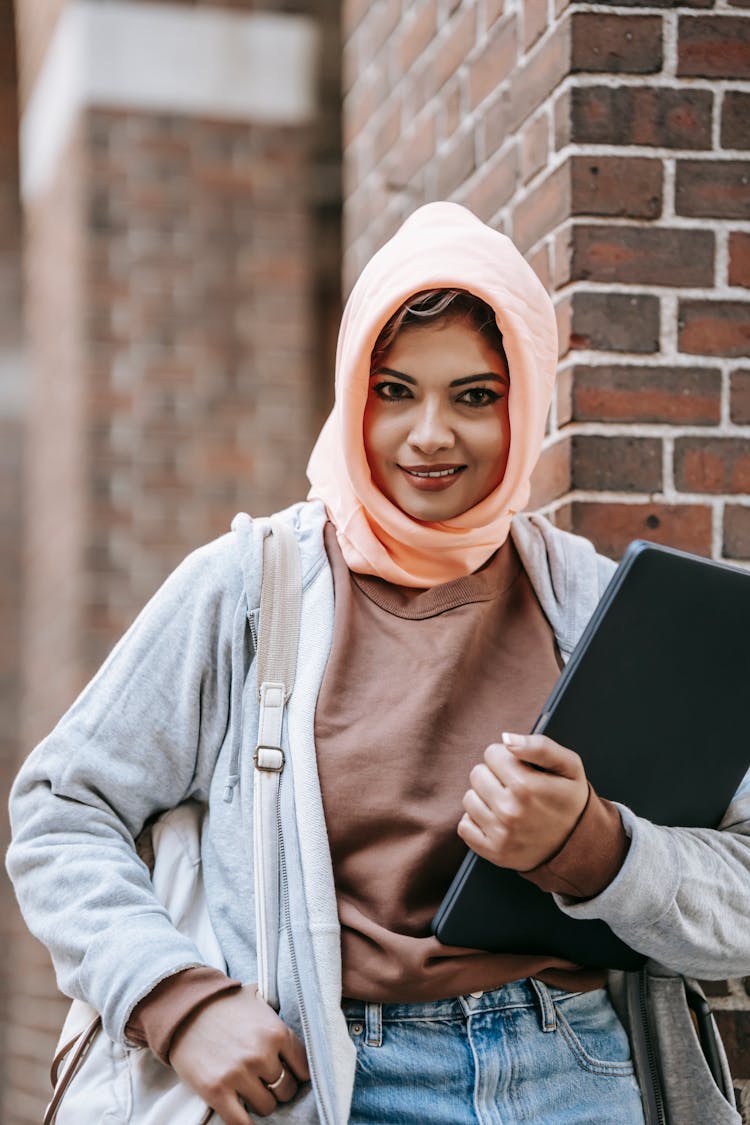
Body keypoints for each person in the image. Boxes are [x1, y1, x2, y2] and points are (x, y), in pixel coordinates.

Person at [7, 202, 747, 1125]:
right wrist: (176, 997)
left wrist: (598, 850)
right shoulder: (248, 586)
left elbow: (740, 892)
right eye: (393, 389)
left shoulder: (594, 608)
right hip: (334, 1077)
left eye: (474, 395)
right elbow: (61, 808)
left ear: (525, 405)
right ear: (352, 391)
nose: (428, 434)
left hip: (577, 1067)